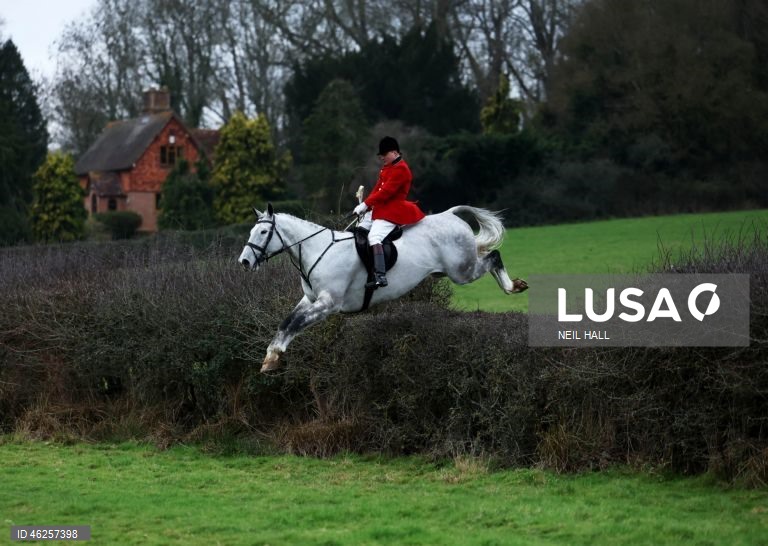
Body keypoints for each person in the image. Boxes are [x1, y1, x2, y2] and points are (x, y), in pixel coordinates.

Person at [353, 136, 425, 289]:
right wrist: (366, 205)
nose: (382, 158)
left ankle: (380, 275)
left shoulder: (402, 169)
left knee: (374, 237)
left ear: (394, 152)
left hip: (393, 210)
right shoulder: (388, 167)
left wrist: (366, 204)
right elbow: (377, 189)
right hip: (380, 208)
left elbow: (386, 192)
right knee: (360, 229)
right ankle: (365, 268)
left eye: (384, 155)